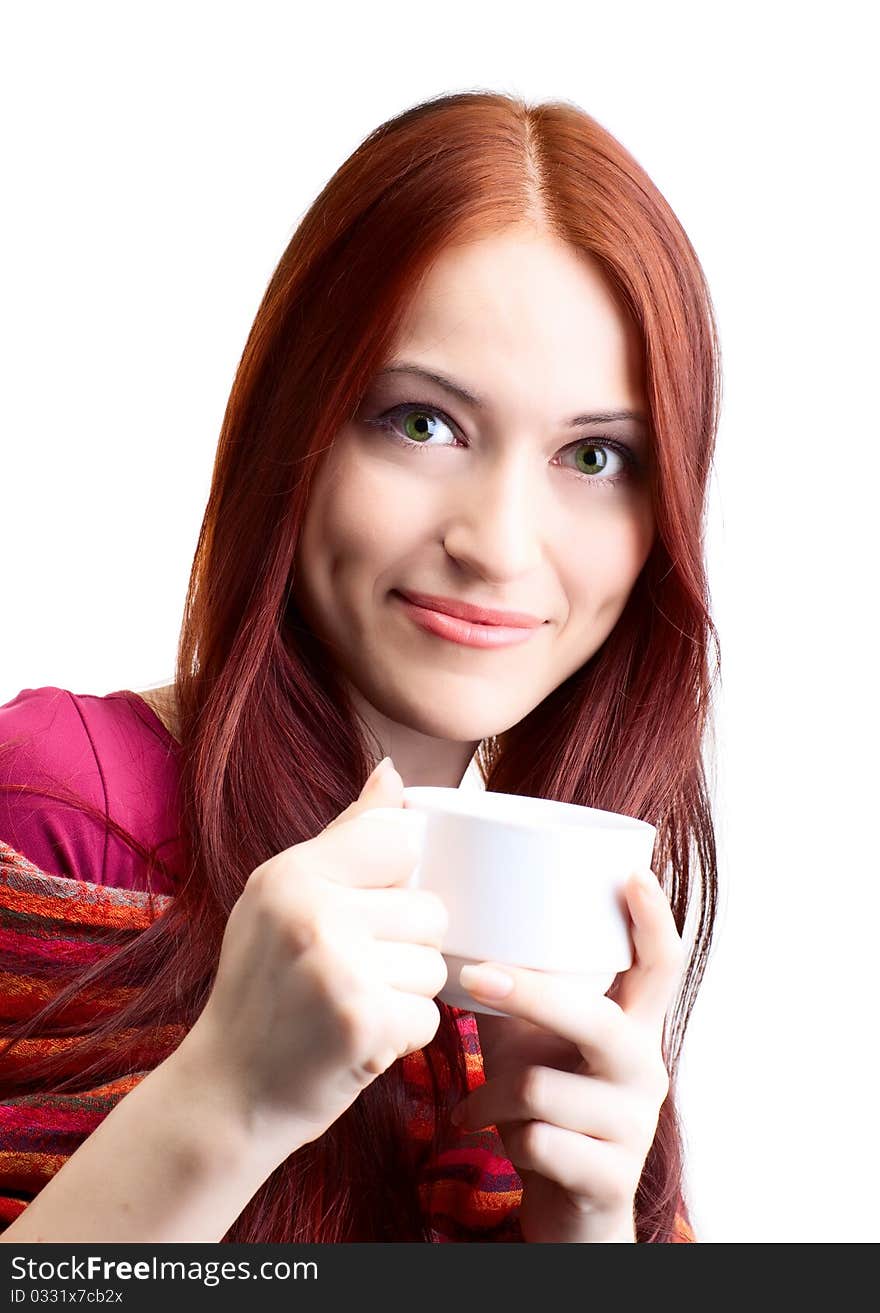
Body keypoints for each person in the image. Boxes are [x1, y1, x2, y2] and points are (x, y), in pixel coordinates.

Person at [0, 89, 719, 1243]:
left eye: (593, 455)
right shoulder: (65, 801)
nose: (496, 541)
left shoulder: (567, 941)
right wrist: (225, 1097)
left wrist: (582, 1225)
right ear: (302, 427)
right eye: (423, 422)